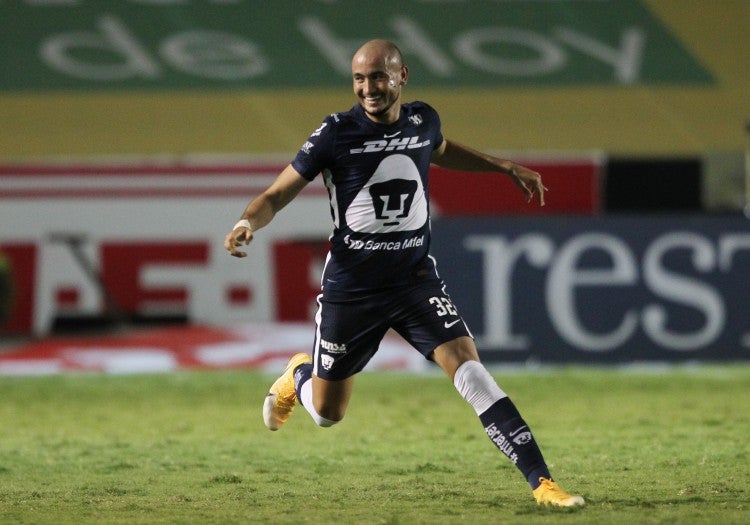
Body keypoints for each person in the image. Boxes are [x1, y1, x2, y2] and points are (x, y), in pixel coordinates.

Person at [224, 38, 584, 507]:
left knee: (471, 372)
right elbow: (277, 194)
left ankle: (542, 484)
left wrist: (504, 167)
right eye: (359, 79)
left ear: (402, 76)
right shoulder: (335, 133)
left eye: (377, 77)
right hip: (352, 290)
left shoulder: (422, 119)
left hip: (415, 280)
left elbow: (441, 148)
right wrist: (247, 221)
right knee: (328, 415)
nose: (368, 88)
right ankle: (300, 375)